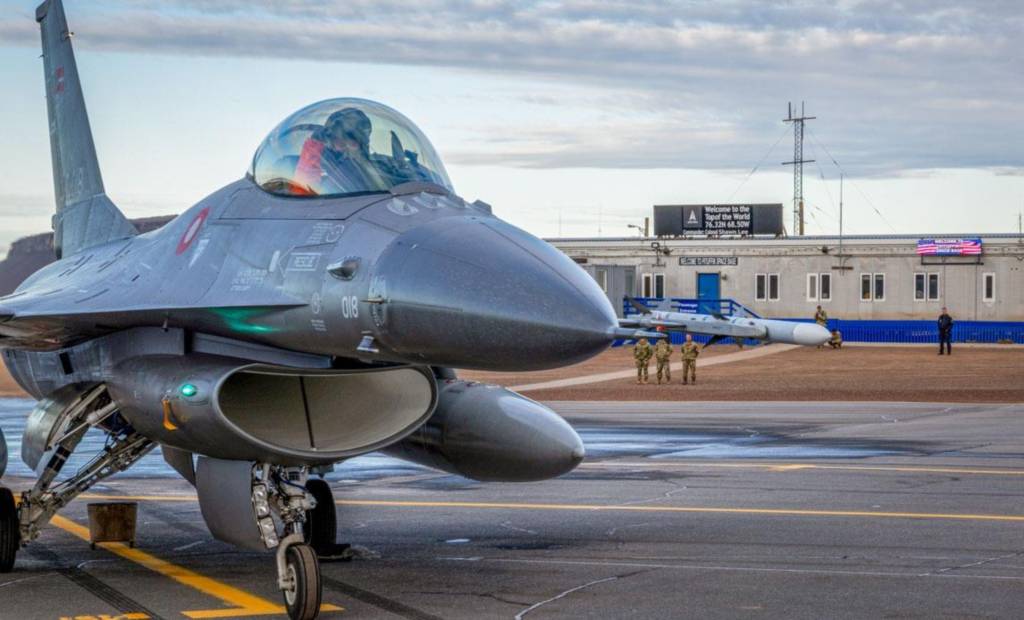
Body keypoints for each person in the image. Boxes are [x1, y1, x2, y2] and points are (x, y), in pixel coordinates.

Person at [294, 108, 388, 195]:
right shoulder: (320, 158)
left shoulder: (374, 163)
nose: (341, 145)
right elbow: (306, 188)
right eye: (338, 139)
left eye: (350, 140)